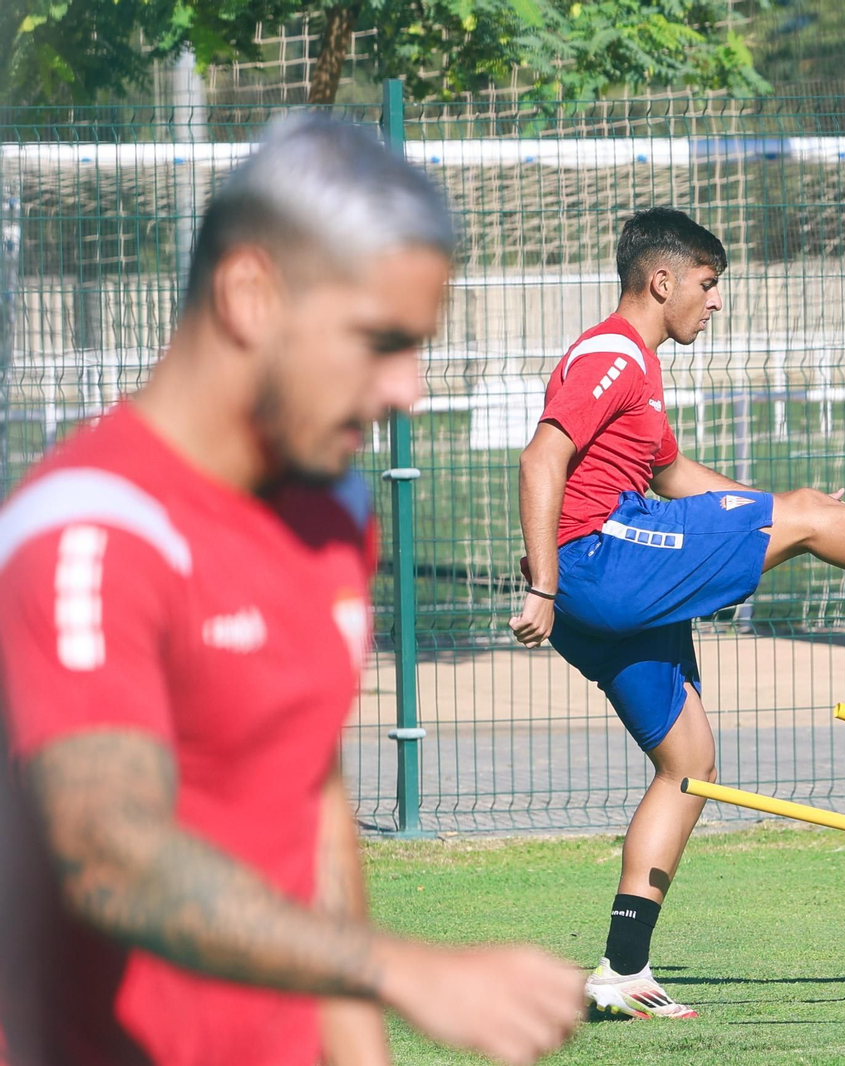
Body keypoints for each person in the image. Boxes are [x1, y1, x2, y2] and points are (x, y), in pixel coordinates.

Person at [0, 113, 584, 1066]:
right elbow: (108, 852)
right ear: (250, 293)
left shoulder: (332, 511)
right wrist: (401, 970)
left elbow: (305, 797)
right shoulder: (86, 534)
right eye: (381, 340)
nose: (412, 389)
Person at [510, 206, 845, 1019]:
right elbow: (540, 457)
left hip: (604, 581)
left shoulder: (639, 373)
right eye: (709, 284)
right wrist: (545, 587)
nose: (716, 301)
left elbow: (672, 478)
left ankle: (621, 971)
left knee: (688, 762)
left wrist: (778, 509)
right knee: (805, 516)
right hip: (597, 564)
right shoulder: (610, 355)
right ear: (662, 281)